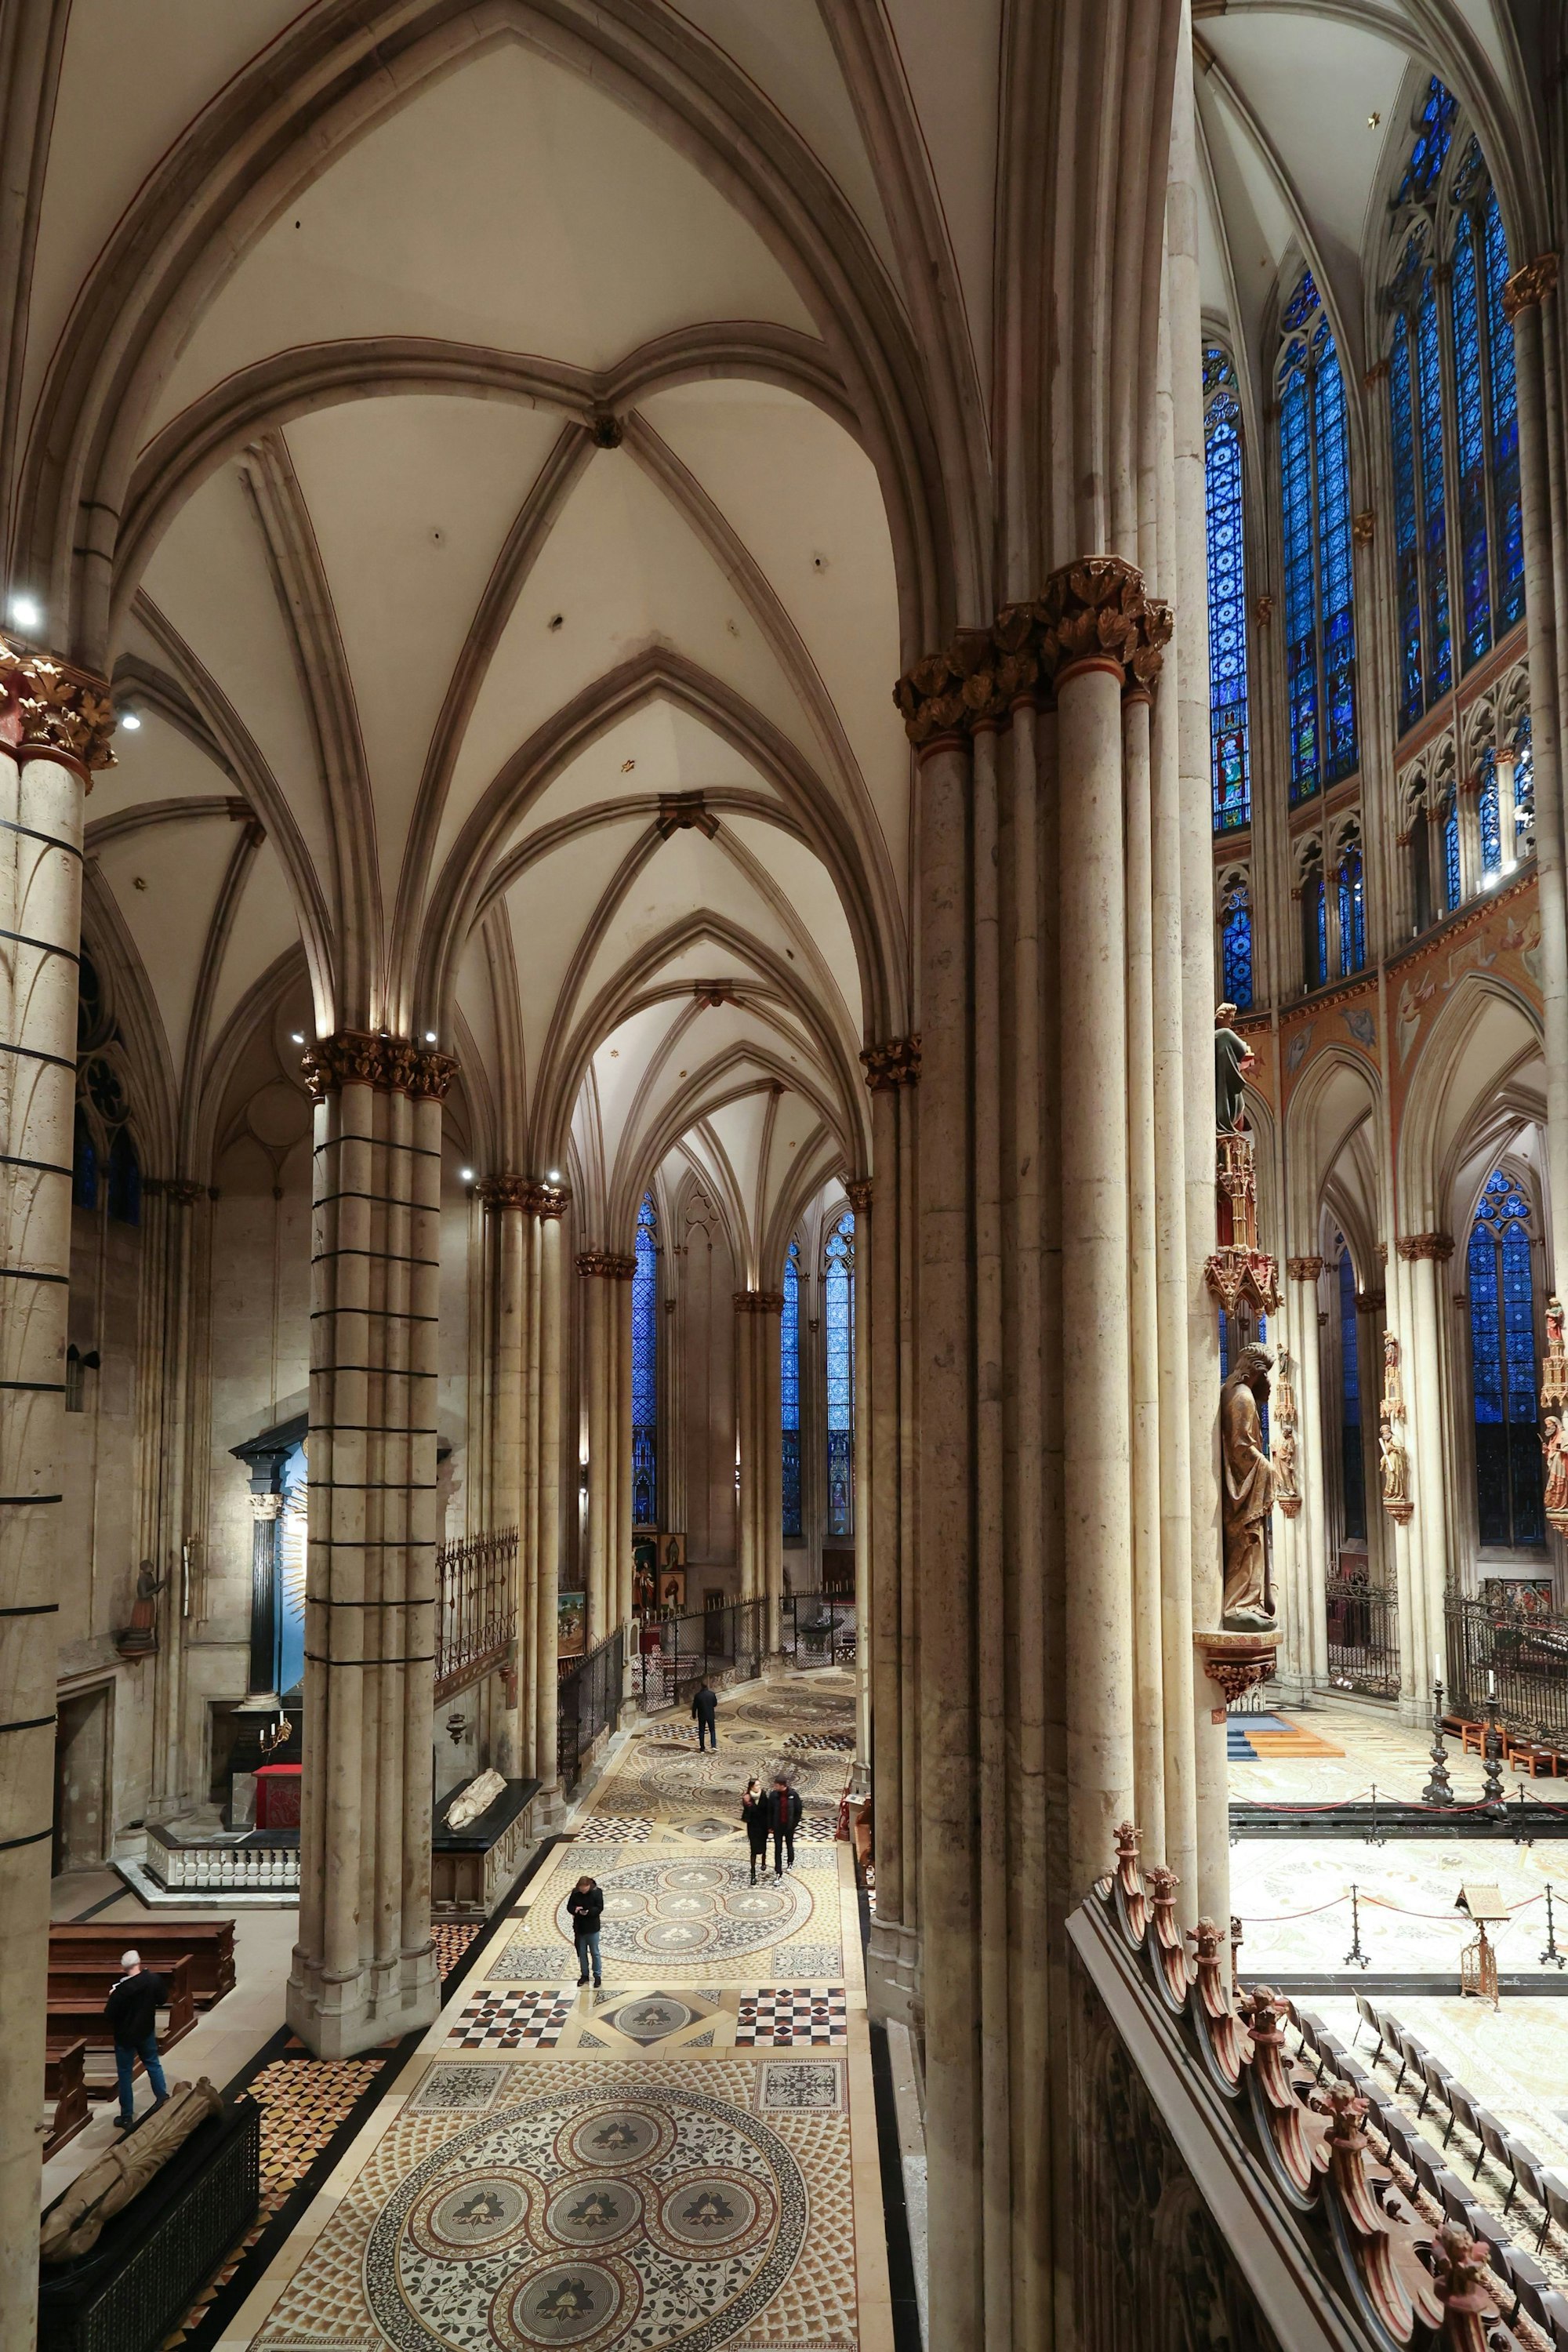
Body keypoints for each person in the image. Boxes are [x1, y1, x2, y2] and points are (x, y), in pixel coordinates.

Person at [104, 1949, 168, 2132]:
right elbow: (163, 1999)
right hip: (146, 2030)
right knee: (153, 2064)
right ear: (139, 1962)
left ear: (124, 1968)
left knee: (125, 2074)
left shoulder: (120, 1992)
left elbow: (109, 2015)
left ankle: (126, 2116)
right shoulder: (153, 1980)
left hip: (125, 2037)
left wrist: (112, 1997)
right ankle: (162, 2098)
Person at [568, 1875, 604, 1987]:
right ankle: (584, 1975)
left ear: (589, 1886)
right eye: (581, 1889)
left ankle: (597, 1975)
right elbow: (569, 1906)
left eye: (585, 1889)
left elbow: (600, 1907)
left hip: (592, 1927)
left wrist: (589, 1912)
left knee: (595, 1953)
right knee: (582, 1953)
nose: (583, 1891)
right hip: (580, 1928)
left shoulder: (597, 1892)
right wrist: (576, 1910)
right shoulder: (575, 1892)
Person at [768, 1776, 802, 1877]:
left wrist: (794, 1824)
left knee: (789, 1845)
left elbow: (798, 1811)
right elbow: (769, 1811)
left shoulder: (793, 1795)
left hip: (789, 1826)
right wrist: (770, 1826)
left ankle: (790, 1862)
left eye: (776, 1785)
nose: (775, 1787)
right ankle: (778, 1867)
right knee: (778, 1847)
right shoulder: (773, 1796)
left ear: (782, 1786)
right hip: (777, 1826)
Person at [741, 1778, 770, 1884]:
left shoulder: (763, 1795)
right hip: (753, 1827)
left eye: (759, 1785)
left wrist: (770, 1826)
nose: (759, 1787)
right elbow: (747, 1814)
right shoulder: (747, 1797)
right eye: (757, 1785)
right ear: (751, 1787)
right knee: (753, 1850)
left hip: (763, 1826)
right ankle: (753, 1873)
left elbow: (767, 1810)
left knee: (763, 1846)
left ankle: (763, 1862)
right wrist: (748, 1804)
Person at [691, 1679, 718, 1751]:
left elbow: (694, 1706)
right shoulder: (712, 1694)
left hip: (701, 1715)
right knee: (712, 1730)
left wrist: (694, 1715)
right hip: (710, 1715)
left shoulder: (698, 1696)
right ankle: (713, 1745)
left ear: (701, 1686)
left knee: (701, 1731)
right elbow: (715, 1704)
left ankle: (702, 1748)